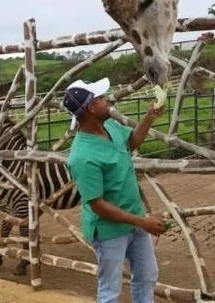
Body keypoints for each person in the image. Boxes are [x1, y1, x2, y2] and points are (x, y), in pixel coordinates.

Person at [64, 78, 167, 303]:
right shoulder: (82, 156)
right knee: (111, 290)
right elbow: (98, 206)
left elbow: (131, 142)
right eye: (100, 98)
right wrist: (143, 222)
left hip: (135, 219)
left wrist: (149, 116)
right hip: (110, 230)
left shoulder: (109, 125)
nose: (106, 100)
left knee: (147, 276)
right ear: (91, 108)